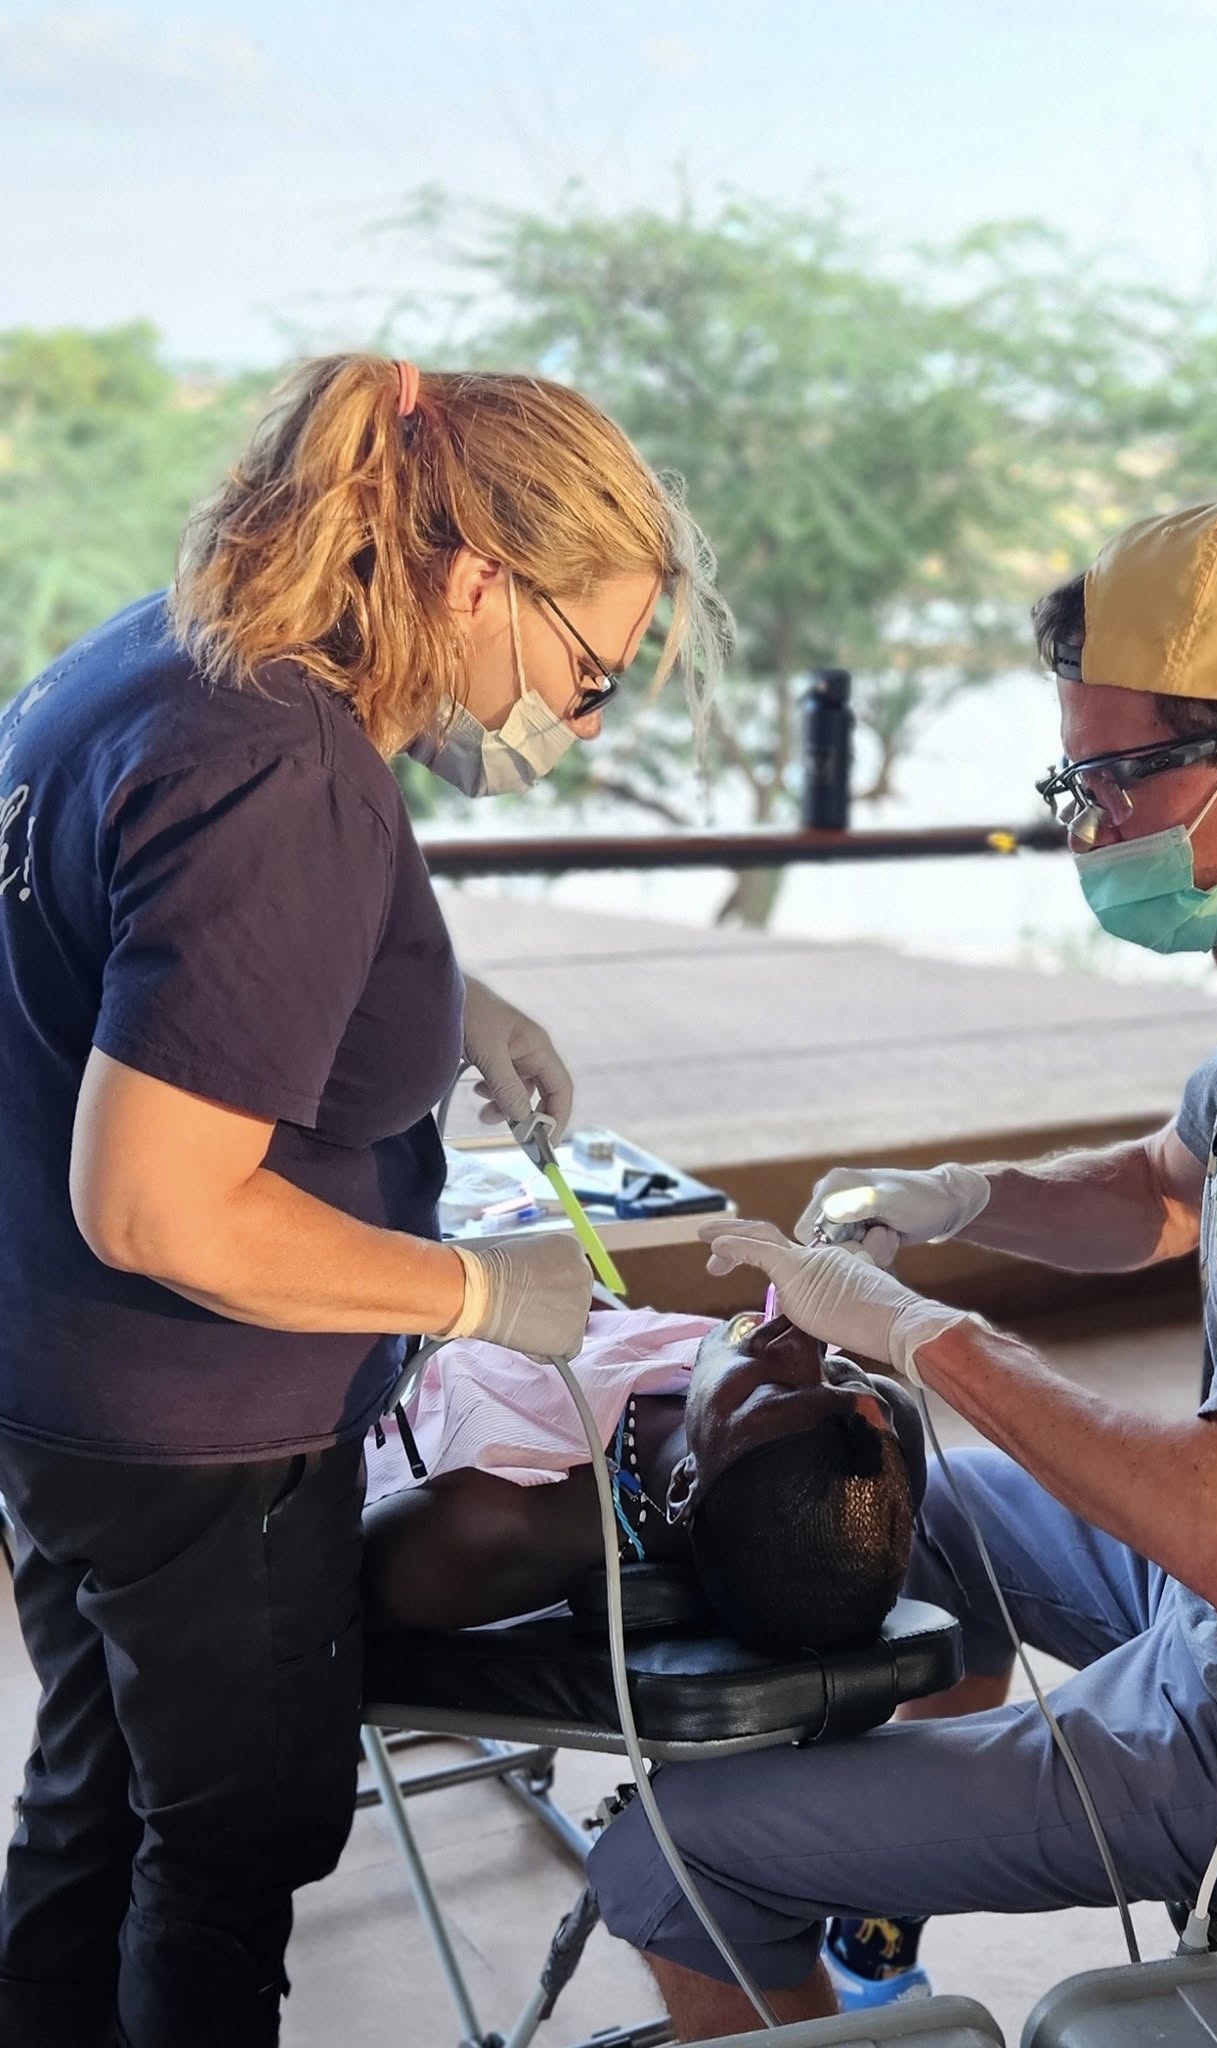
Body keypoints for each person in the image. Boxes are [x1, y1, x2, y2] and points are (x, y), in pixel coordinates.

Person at [587, 489, 1217, 2035]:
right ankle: (873, 1935)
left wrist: (919, 1335)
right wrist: (954, 1196)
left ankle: (781, 1896)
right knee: (930, 1506)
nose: (1085, 826)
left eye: (1109, 779)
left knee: (670, 1856)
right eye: (1070, 778)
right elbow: (1161, 1190)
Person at [0, 354, 728, 2048]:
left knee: (95, 1799)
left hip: (61, 1386)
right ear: (481, 577)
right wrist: (475, 1292)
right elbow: (164, 1208)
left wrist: (436, 992)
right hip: (198, 1422)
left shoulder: (166, 650)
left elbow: (133, 948)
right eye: (589, 668)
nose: (586, 716)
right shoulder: (277, 765)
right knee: (228, 1844)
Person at [361, 1307, 926, 1647]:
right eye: (841, 1375)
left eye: (769, 1391)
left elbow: (293, 1580)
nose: (798, 1339)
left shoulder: (489, 1517)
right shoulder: (725, 1412)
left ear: (684, 1483)